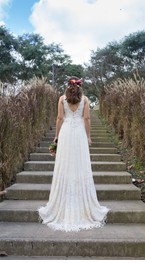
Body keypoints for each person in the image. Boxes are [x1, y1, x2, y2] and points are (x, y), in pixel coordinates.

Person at [38, 77, 109, 232]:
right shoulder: (84, 99)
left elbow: (59, 118)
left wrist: (56, 137)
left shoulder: (61, 99)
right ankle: (83, 204)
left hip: (66, 133)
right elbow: (87, 118)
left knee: (65, 166)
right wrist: (88, 136)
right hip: (79, 135)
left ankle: (62, 204)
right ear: (79, 88)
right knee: (80, 165)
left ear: (68, 87)